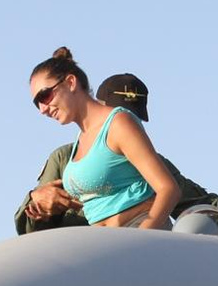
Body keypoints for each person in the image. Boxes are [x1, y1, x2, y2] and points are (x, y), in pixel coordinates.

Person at [16, 73, 218, 233]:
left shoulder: (149, 161)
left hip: (131, 247)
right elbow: (28, 228)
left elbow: (200, 202)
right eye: (119, 112)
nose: (128, 125)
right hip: (78, 258)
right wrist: (35, 198)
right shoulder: (64, 160)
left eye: (133, 117)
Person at [28, 49, 180, 229]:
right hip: (104, 245)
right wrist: (38, 196)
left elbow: (168, 189)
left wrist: (140, 237)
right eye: (37, 103)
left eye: (44, 96)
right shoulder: (81, 139)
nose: (42, 109)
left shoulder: (118, 123)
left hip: (135, 239)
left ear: (70, 82)